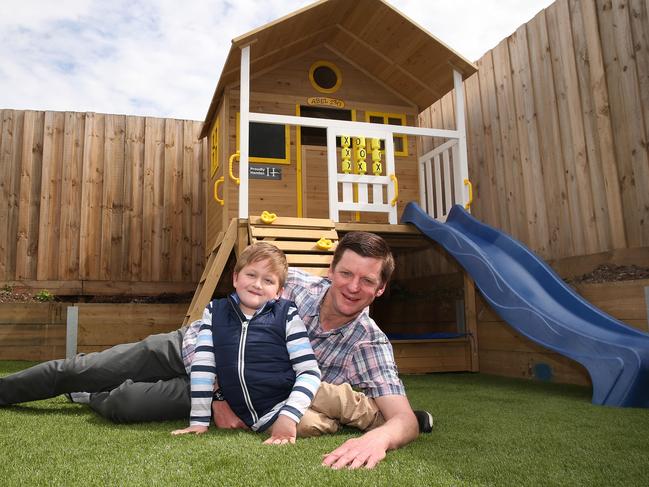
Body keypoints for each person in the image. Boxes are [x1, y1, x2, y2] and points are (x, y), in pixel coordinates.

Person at [0, 231, 429, 468]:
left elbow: (403, 420)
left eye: (367, 281)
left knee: (122, 403)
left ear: (381, 288)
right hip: (190, 350)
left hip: (227, 393)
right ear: (331, 270)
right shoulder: (288, 284)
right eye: (346, 273)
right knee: (83, 367)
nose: (354, 287)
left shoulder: (368, 342)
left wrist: (379, 441)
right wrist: (220, 396)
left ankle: (89, 397)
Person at [170, 242, 384, 444]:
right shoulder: (215, 311)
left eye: (268, 281)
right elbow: (203, 366)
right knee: (311, 425)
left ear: (280, 291)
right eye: (251, 275)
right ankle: (332, 420)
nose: (256, 284)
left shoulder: (286, 315)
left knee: (334, 398)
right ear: (235, 278)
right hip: (260, 412)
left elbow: (308, 371)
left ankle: (380, 419)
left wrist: (289, 415)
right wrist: (199, 422)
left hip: (286, 392)